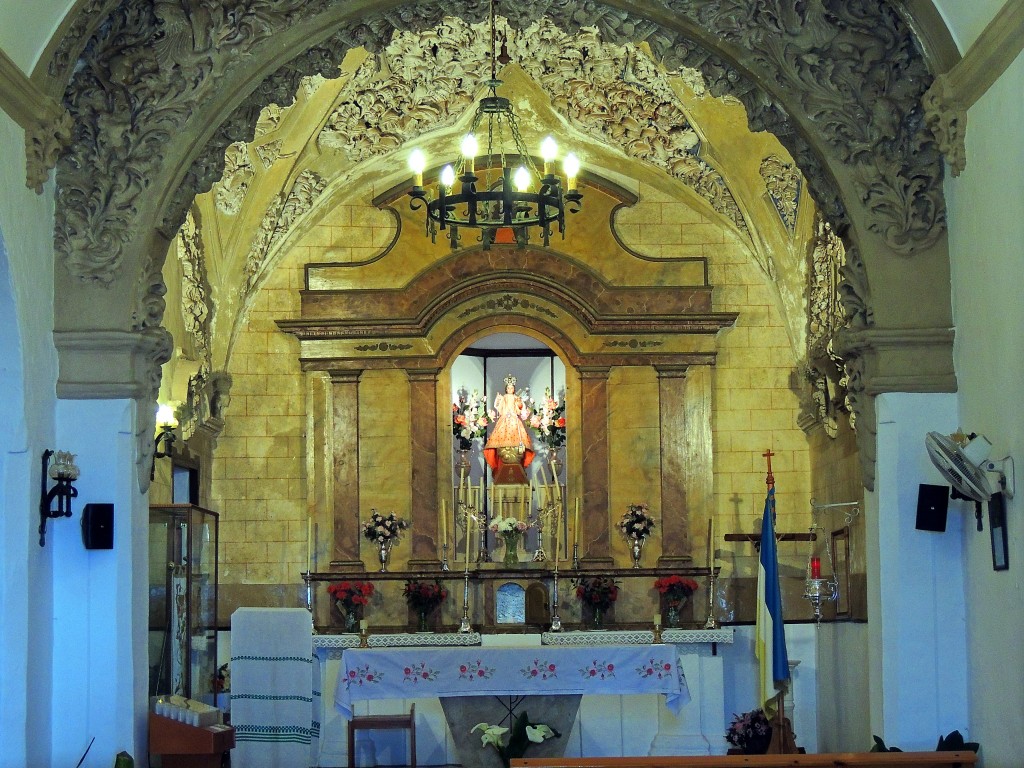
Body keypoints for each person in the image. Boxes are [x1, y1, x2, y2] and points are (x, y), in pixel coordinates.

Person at [483, 375, 535, 471]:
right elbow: (499, 406)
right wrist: (498, 399)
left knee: (518, 441)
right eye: (508, 388)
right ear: (506, 389)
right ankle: (505, 454)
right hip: (505, 419)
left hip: (514, 420)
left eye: (512, 388)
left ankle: (515, 455)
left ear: (514, 389)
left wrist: (519, 402)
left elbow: (520, 407)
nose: (510, 389)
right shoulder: (504, 397)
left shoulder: (516, 397)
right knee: (503, 440)